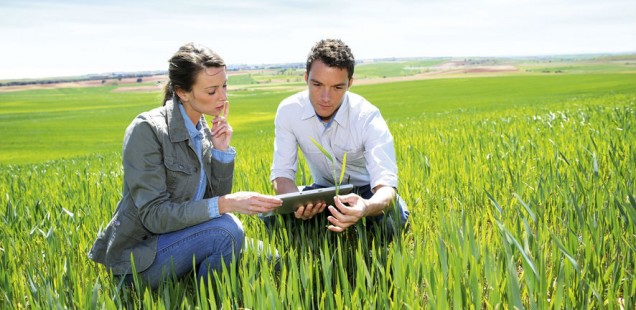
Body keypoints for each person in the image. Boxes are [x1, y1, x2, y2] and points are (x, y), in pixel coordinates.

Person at [88, 42, 282, 289]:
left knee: (273, 260)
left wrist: (221, 151)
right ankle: (211, 300)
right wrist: (229, 203)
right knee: (226, 230)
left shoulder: (202, 127)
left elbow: (211, 201)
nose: (223, 97)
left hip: (187, 235)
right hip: (143, 257)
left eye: (224, 86)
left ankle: (199, 275)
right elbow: (154, 216)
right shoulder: (147, 130)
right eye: (212, 91)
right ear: (182, 92)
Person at [268, 38, 409, 237]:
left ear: (350, 83)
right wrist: (296, 203)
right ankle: (319, 234)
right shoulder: (288, 111)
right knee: (269, 215)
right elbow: (282, 175)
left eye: (337, 87)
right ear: (306, 77)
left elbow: (387, 188)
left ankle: (350, 234)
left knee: (393, 219)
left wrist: (365, 207)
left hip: (365, 193)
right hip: (321, 192)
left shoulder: (367, 117)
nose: (325, 98)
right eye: (317, 84)